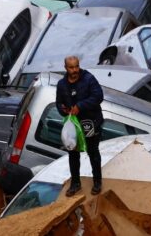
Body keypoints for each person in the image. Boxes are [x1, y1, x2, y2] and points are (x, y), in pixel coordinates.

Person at [56, 55, 104, 197]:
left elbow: (98, 96)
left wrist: (80, 106)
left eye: (76, 66)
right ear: (66, 68)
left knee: (93, 153)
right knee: (73, 154)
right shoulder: (61, 84)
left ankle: (97, 182)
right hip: (73, 126)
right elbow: (58, 102)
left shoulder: (89, 79)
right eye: (71, 67)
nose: (75, 70)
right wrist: (63, 110)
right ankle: (75, 183)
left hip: (90, 123)